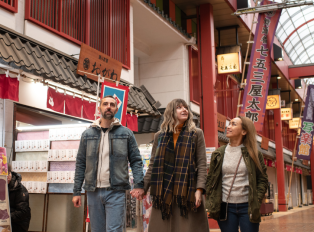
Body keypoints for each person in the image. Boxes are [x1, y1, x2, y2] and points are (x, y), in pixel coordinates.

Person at [134, 99, 209, 232]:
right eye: (179, 107)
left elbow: (202, 164)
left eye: (185, 107)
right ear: (170, 112)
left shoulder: (196, 134)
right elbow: (153, 165)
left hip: (187, 191)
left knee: (188, 228)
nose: (184, 109)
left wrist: (199, 190)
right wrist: (143, 187)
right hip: (164, 191)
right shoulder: (160, 136)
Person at [72, 95, 144, 232]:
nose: (108, 107)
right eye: (105, 104)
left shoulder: (126, 134)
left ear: (116, 109)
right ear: (100, 108)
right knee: (97, 230)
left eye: (112, 104)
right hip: (93, 191)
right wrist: (76, 191)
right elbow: (81, 163)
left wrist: (139, 185)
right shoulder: (87, 134)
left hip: (116, 191)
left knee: (114, 230)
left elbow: (136, 160)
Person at [205, 116, 268, 232]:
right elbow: (210, 180)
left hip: (247, 206)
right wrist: (211, 200)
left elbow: (263, 180)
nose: (228, 127)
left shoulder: (254, 153)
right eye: (229, 124)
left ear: (244, 131)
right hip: (225, 206)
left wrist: (256, 200)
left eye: (233, 124)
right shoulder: (218, 154)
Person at [7, 164, 31, 232]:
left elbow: (23, 212)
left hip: (18, 224)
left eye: (8, 174)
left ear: (10, 173)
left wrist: (5, 218)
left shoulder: (20, 189)